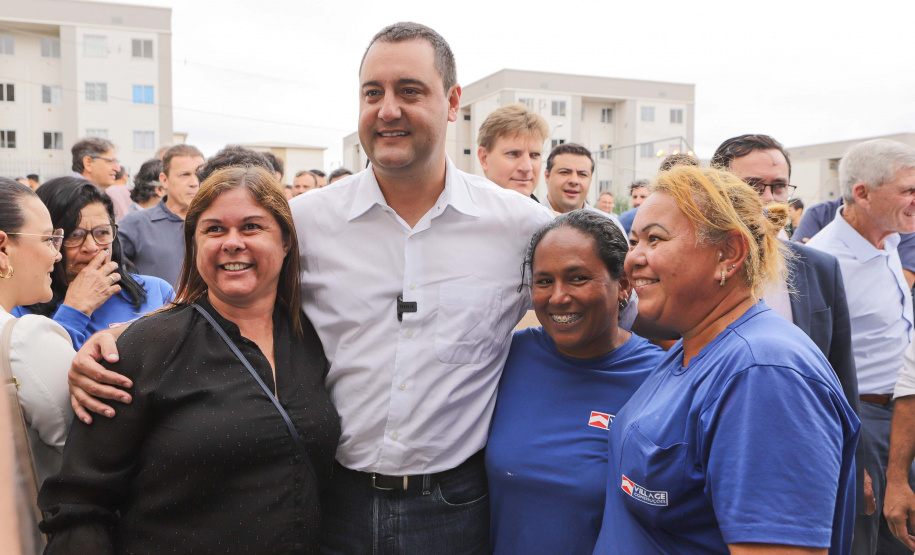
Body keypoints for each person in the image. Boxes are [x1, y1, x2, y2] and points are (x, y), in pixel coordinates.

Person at [68, 21, 554, 553]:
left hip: (454, 508)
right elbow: (227, 297)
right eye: (373, 93)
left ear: (453, 100)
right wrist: (116, 341)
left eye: (409, 91)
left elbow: (595, 320)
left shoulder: (521, 228)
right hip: (327, 500)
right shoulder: (304, 221)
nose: (387, 109)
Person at [38, 165, 340, 554]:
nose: (232, 242)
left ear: (285, 241)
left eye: (251, 227)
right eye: (214, 229)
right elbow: (80, 502)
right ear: (194, 243)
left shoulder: (313, 337)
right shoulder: (144, 349)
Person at [593, 166, 859, 554]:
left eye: (655, 239)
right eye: (634, 241)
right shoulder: (696, 347)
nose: (632, 259)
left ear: (729, 254)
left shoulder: (764, 375)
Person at [486, 210, 665, 554]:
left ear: (623, 285)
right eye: (543, 281)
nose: (557, 297)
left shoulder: (660, 378)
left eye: (578, 278)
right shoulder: (509, 358)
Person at [807, 139, 915, 555]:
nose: (914, 200)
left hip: (900, 415)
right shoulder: (821, 261)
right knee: (867, 540)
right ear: (862, 193)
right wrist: (853, 462)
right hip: (859, 420)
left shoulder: (888, 241)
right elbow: (814, 373)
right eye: (908, 189)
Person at [13, 178, 173, 350]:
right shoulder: (21, 310)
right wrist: (75, 309)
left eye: (102, 232)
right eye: (74, 235)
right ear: (49, 239)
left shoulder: (155, 291)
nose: (91, 247)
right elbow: (43, 371)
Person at [0, 177, 74, 485]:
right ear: (3, 248)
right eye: (48, 239)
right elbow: (87, 445)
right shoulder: (23, 339)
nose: (57, 255)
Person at [118, 144, 205, 286]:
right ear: (164, 180)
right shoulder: (135, 224)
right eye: (185, 175)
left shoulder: (216, 224)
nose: (194, 183)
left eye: (199, 175)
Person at [476, 102, 549, 201]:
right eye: (513, 154)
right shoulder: (456, 215)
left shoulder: (549, 216)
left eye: (534, 155)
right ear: (484, 158)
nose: (527, 167)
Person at [71, 137, 131, 222]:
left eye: (117, 163)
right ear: (88, 162)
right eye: (110, 161)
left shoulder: (97, 194)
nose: (118, 169)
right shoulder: (71, 196)